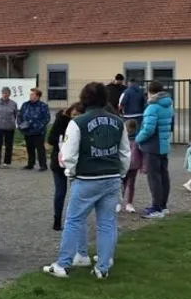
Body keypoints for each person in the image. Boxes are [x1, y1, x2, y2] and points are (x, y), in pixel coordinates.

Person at [43, 83, 130, 280]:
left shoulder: (78, 122)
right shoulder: (118, 122)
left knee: (74, 220)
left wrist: (70, 173)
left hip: (86, 178)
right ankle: (103, 267)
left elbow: (69, 154)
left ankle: (64, 264)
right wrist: (121, 173)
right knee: (107, 223)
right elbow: (125, 152)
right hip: (111, 177)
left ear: (84, 99)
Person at [135, 81, 173, 219]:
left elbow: (148, 129)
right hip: (163, 144)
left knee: (154, 177)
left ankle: (156, 207)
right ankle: (163, 205)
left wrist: (138, 139)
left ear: (149, 92)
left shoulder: (152, 108)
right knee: (163, 175)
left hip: (152, 145)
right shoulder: (168, 105)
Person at [46, 103, 83, 231]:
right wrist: (63, 141)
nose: (75, 118)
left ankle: (73, 219)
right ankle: (57, 219)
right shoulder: (61, 121)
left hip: (76, 161)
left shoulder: (81, 124)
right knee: (60, 192)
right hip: (60, 161)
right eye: (74, 115)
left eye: (78, 115)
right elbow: (51, 139)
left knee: (76, 192)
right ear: (69, 113)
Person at [17, 88, 50, 171]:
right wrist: (21, 125)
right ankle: (30, 164)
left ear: (38, 96)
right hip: (27, 131)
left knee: (40, 149)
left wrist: (38, 128)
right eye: (30, 94)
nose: (31, 96)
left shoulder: (43, 106)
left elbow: (46, 118)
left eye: (33, 94)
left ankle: (43, 165)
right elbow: (20, 115)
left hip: (39, 132)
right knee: (29, 148)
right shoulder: (25, 105)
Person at [0, 87, 19, 167]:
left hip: (10, 127)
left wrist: (14, 122)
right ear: (1, 94)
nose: (5, 95)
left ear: (9, 94)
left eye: (7, 93)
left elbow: (16, 114)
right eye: (4, 93)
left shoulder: (13, 104)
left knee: (9, 145)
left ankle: (7, 162)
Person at [119, 118, 142, 214]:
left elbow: (141, 154)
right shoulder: (121, 139)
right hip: (123, 164)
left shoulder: (138, 140)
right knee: (121, 184)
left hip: (133, 165)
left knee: (131, 184)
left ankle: (129, 203)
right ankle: (119, 203)